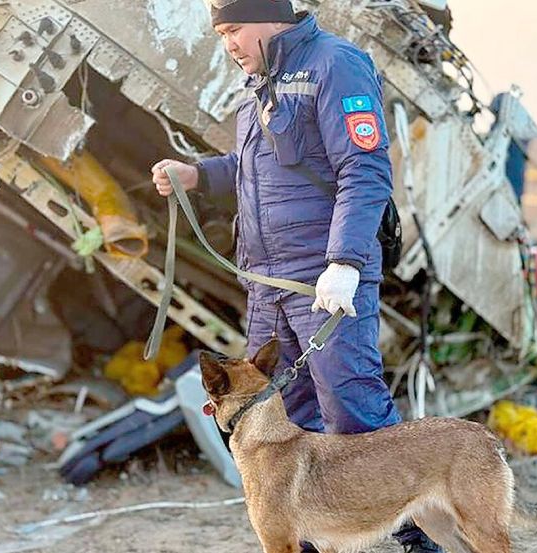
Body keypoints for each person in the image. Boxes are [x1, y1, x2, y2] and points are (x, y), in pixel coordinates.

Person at [151, 2, 441, 551]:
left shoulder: (337, 64)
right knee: (285, 417)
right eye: (221, 34)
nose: (228, 44)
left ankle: (416, 539)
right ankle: (303, 539)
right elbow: (249, 171)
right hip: (266, 284)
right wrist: (195, 174)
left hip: (319, 278)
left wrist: (345, 263)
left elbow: (365, 166)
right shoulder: (258, 85)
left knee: (351, 406)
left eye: (234, 29)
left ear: (270, 17)